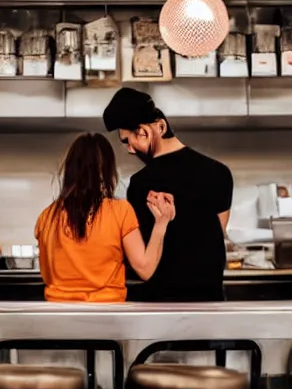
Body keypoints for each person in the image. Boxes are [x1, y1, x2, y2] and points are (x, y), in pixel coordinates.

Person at [103, 87, 234, 302]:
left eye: (128, 140)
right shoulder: (220, 173)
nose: (130, 150)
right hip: (210, 302)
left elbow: (144, 252)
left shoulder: (140, 184)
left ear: (148, 130)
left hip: (161, 305)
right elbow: (216, 234)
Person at [34, 133, 175, 303]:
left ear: (70, 169)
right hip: (107, 315)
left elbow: (48, 275)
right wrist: (161, 223)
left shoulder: (47, 216)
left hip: (58, 316)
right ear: (107, 170)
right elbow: (144, 269)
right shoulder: (120, 211)